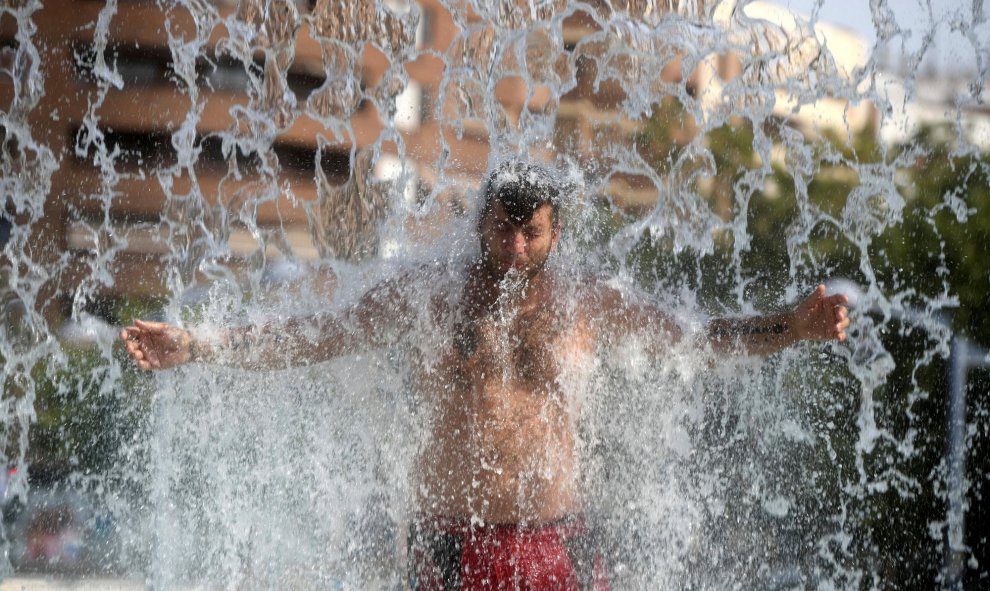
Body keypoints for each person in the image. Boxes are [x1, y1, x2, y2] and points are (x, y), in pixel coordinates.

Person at [121, 159, 850, 590]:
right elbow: (317, 336)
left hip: (555, 541)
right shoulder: (429, 293)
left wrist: (791, 325)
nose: (513, 246)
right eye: (502, 228)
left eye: (530, 232)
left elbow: (695, 339)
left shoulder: (585, 300)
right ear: (481, 225)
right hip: (449, 539)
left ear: (555, 233)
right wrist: (199, 343)